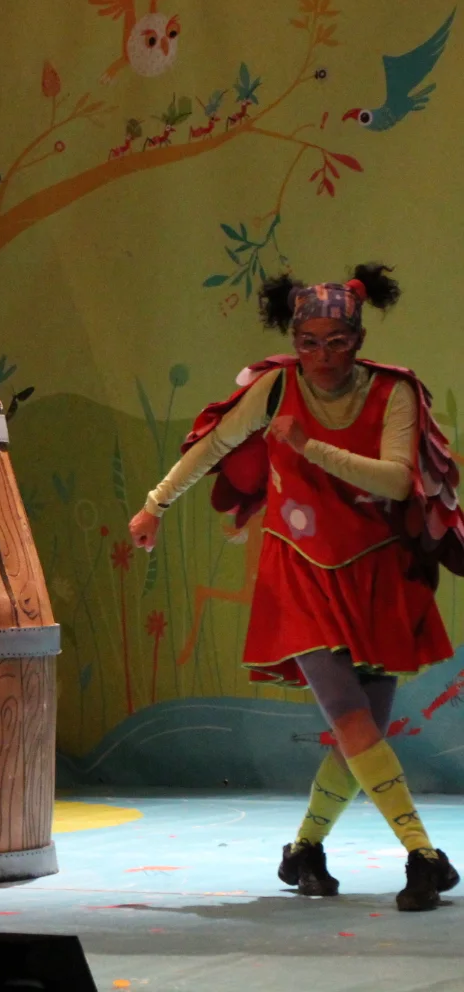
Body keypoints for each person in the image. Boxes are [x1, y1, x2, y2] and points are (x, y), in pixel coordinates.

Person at [128, 265, 462, 912]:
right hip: (299, 571)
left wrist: (309, 447)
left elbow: (398, 480)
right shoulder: (277, 387)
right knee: (351, 718)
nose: (322, 356)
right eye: (308, 342)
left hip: (376, 570)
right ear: (294, 340)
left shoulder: (393, 391)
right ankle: (423, 854)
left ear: (358, 339)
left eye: (336, 342)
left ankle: (305, 849)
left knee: (363, 731)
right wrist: (154, 505)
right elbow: (212, 445)